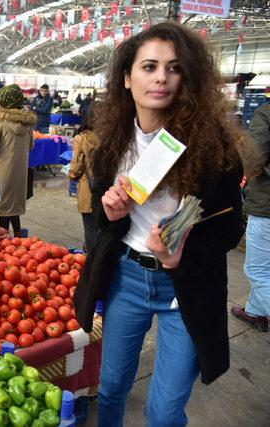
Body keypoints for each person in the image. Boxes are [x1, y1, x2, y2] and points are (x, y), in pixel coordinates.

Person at [72, 23, 245, 426]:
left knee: (164, 413)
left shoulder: (213, 147)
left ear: (188, 78)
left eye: (174, 67)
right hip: (127, 279)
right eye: (149, 66)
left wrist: (183, 254)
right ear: (128, 78)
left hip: (182, 287)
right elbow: (104, 210)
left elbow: (228, 227)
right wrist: (110, 213)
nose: (161, 77)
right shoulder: (112, 141)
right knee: (111, 388)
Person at [231, 102, 270, 332]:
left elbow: (254, 159)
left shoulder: (266, 113)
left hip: (266, 205)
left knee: (257, 270)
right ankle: (256, 312)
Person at [0, 84, 36, 236]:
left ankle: (4, 238)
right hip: (20, 168)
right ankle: (18, 236)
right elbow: (31, 145)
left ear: (5, 101)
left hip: (3, 168)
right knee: (14, 204)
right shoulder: (27, 120)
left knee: (3, 205)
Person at [69, 104, 99, 252]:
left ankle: (91, 259)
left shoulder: (81, 138)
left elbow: (76, 166)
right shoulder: (112, 136)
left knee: (90, 227)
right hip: (109, 187)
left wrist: (71, 175)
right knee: (102, 226)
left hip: (89, 186)